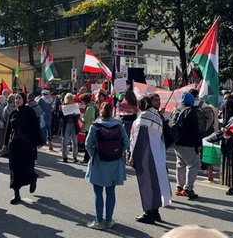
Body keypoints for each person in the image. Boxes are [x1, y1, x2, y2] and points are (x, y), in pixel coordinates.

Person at [85, 102, 128, 230]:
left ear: (100, 112)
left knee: (98, 192)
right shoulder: (118, 124)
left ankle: (99, 220)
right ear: (111, 112)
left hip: (99, 161)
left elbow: (88, 144)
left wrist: (94, 154)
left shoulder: (95, 125)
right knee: (111, 192)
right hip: (114, 162)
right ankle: (109, 220)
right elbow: (125, 143)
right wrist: (118, 153)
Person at [129, 94, 171, 224]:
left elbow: (136, 138)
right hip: (158, 153)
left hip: (146, 154)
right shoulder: (158, 116)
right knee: (156, 183)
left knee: (146, 183)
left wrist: (132, 156)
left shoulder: (143, 116)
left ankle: (148, 212)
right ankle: (155, 212)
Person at [1, 93, 41, 204]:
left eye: (19, 98)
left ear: (24, 100)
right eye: (16, 98)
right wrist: (5, 144)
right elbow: (8, 129)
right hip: (14, 144)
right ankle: (16, 194)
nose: (17, 100)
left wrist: (38, 142)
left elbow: (35, 128)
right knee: (14, 169)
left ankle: (33, 177)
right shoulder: (13, 113)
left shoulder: (29, 112)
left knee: (27, 167)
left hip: (27, 144)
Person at [173, 92, 201, 199]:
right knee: (192, 165)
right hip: (189, 143)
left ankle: (179, 187)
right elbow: (195, 129)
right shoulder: (190, 111)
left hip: (176, 142)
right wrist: (199, 143)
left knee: (180, 164)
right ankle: (188, 189)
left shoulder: (177, 109)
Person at [60, 93, 81, 163]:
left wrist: (76, 115)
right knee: (65, 141)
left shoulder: (75, 105)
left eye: (72, 98)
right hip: (66, 125)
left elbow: (78, 115)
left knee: (75, 141)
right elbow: (61, 117)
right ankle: (65, 157)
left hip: (74, 125)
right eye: (70, 98)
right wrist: (60, 111)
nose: (71, 100)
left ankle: (75, 156)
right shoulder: (64, 106)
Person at [80, 93, 98, 163]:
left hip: (89, 127)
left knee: (87, 143)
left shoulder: (90, 108)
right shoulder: (94, 105)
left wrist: (80, 118)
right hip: (92, 126)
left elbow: (86, 119)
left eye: (82, 101)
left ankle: (86, 158)